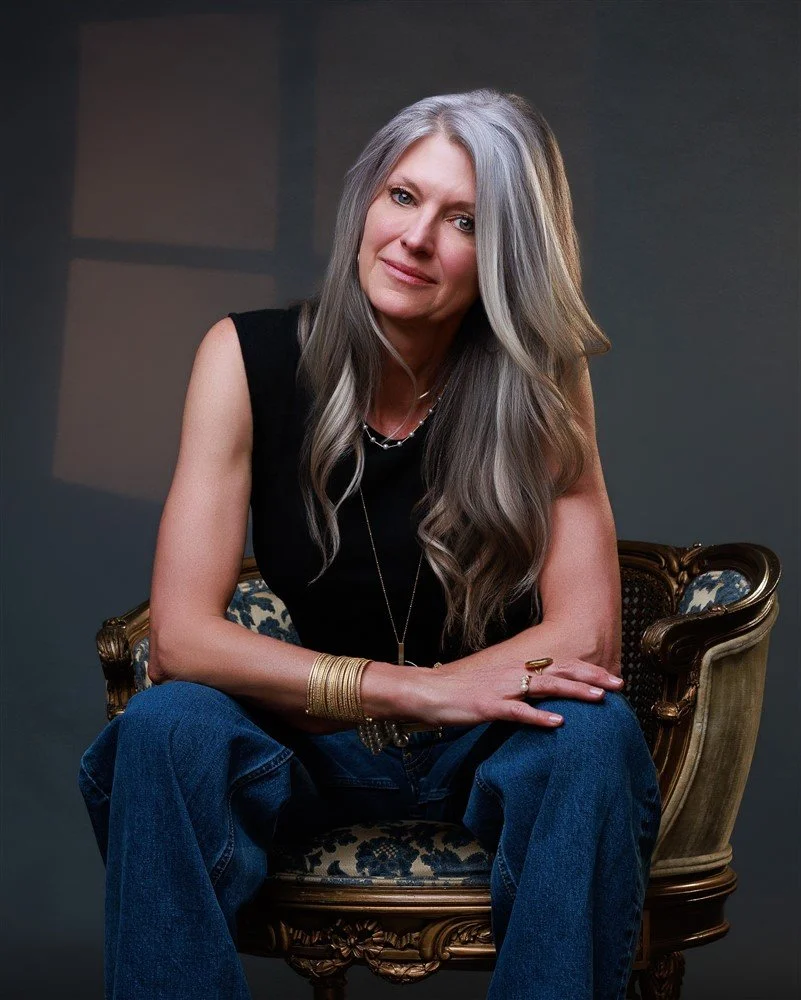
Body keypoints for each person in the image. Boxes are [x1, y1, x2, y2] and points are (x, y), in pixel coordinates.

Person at [78, 88, 661, 1000]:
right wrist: (413, 692)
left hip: (490, 743)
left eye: (463, 219)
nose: (415, 238)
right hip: (309, 744)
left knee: (592, 735)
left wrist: (454, 705)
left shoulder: (541, 380)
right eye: (401, 196)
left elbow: (586, 637)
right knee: (162, 727)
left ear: (505, 252)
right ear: (365, 204)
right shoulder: (244, 357)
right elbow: (182, 640)